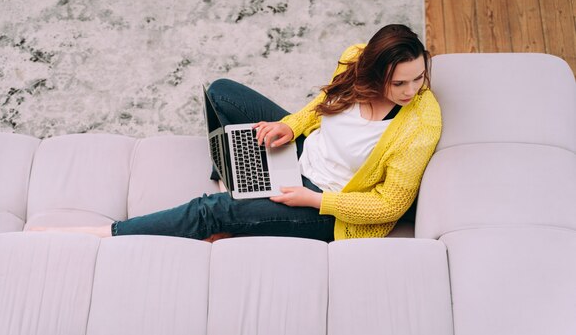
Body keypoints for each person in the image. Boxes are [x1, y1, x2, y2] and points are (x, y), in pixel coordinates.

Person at [36, 24, 441, 242]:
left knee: (211, 210)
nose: (411, 91)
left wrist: (313, 199)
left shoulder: (420, 123)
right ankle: (239, 176)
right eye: (398, 83)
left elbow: (389, 206)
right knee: (223, 92)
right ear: (372, 72)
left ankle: (105, 233)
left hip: (327, 206)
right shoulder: (354, 61)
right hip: (303, 152)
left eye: (418, 78)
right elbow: (325, 107)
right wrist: (289, 126)